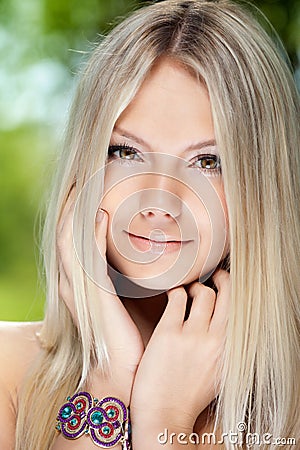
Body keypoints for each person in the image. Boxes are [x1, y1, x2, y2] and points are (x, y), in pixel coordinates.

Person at [0, 0, 299, 449]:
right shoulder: (7, 370)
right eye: (127, 152)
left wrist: (165, 417)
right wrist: (110, 376)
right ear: (87, 168)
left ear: (260, 190)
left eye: (208, 161)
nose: (160, 201)